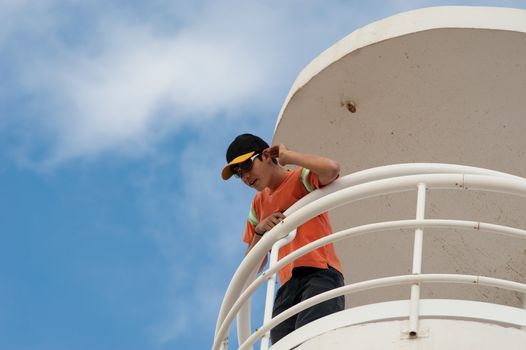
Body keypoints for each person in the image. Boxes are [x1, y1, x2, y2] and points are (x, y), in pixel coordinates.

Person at [221, 133, 345, 344]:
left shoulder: (299, 179)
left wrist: (289, 156)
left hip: (320, 273)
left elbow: (331, 169)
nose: (245, 177)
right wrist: (259, 232)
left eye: (247, 166)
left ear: (266, 155)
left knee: (313, 340)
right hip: (286, 286)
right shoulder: (258, 204)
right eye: (238, 174)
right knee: (282, 344)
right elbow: (251, 267)